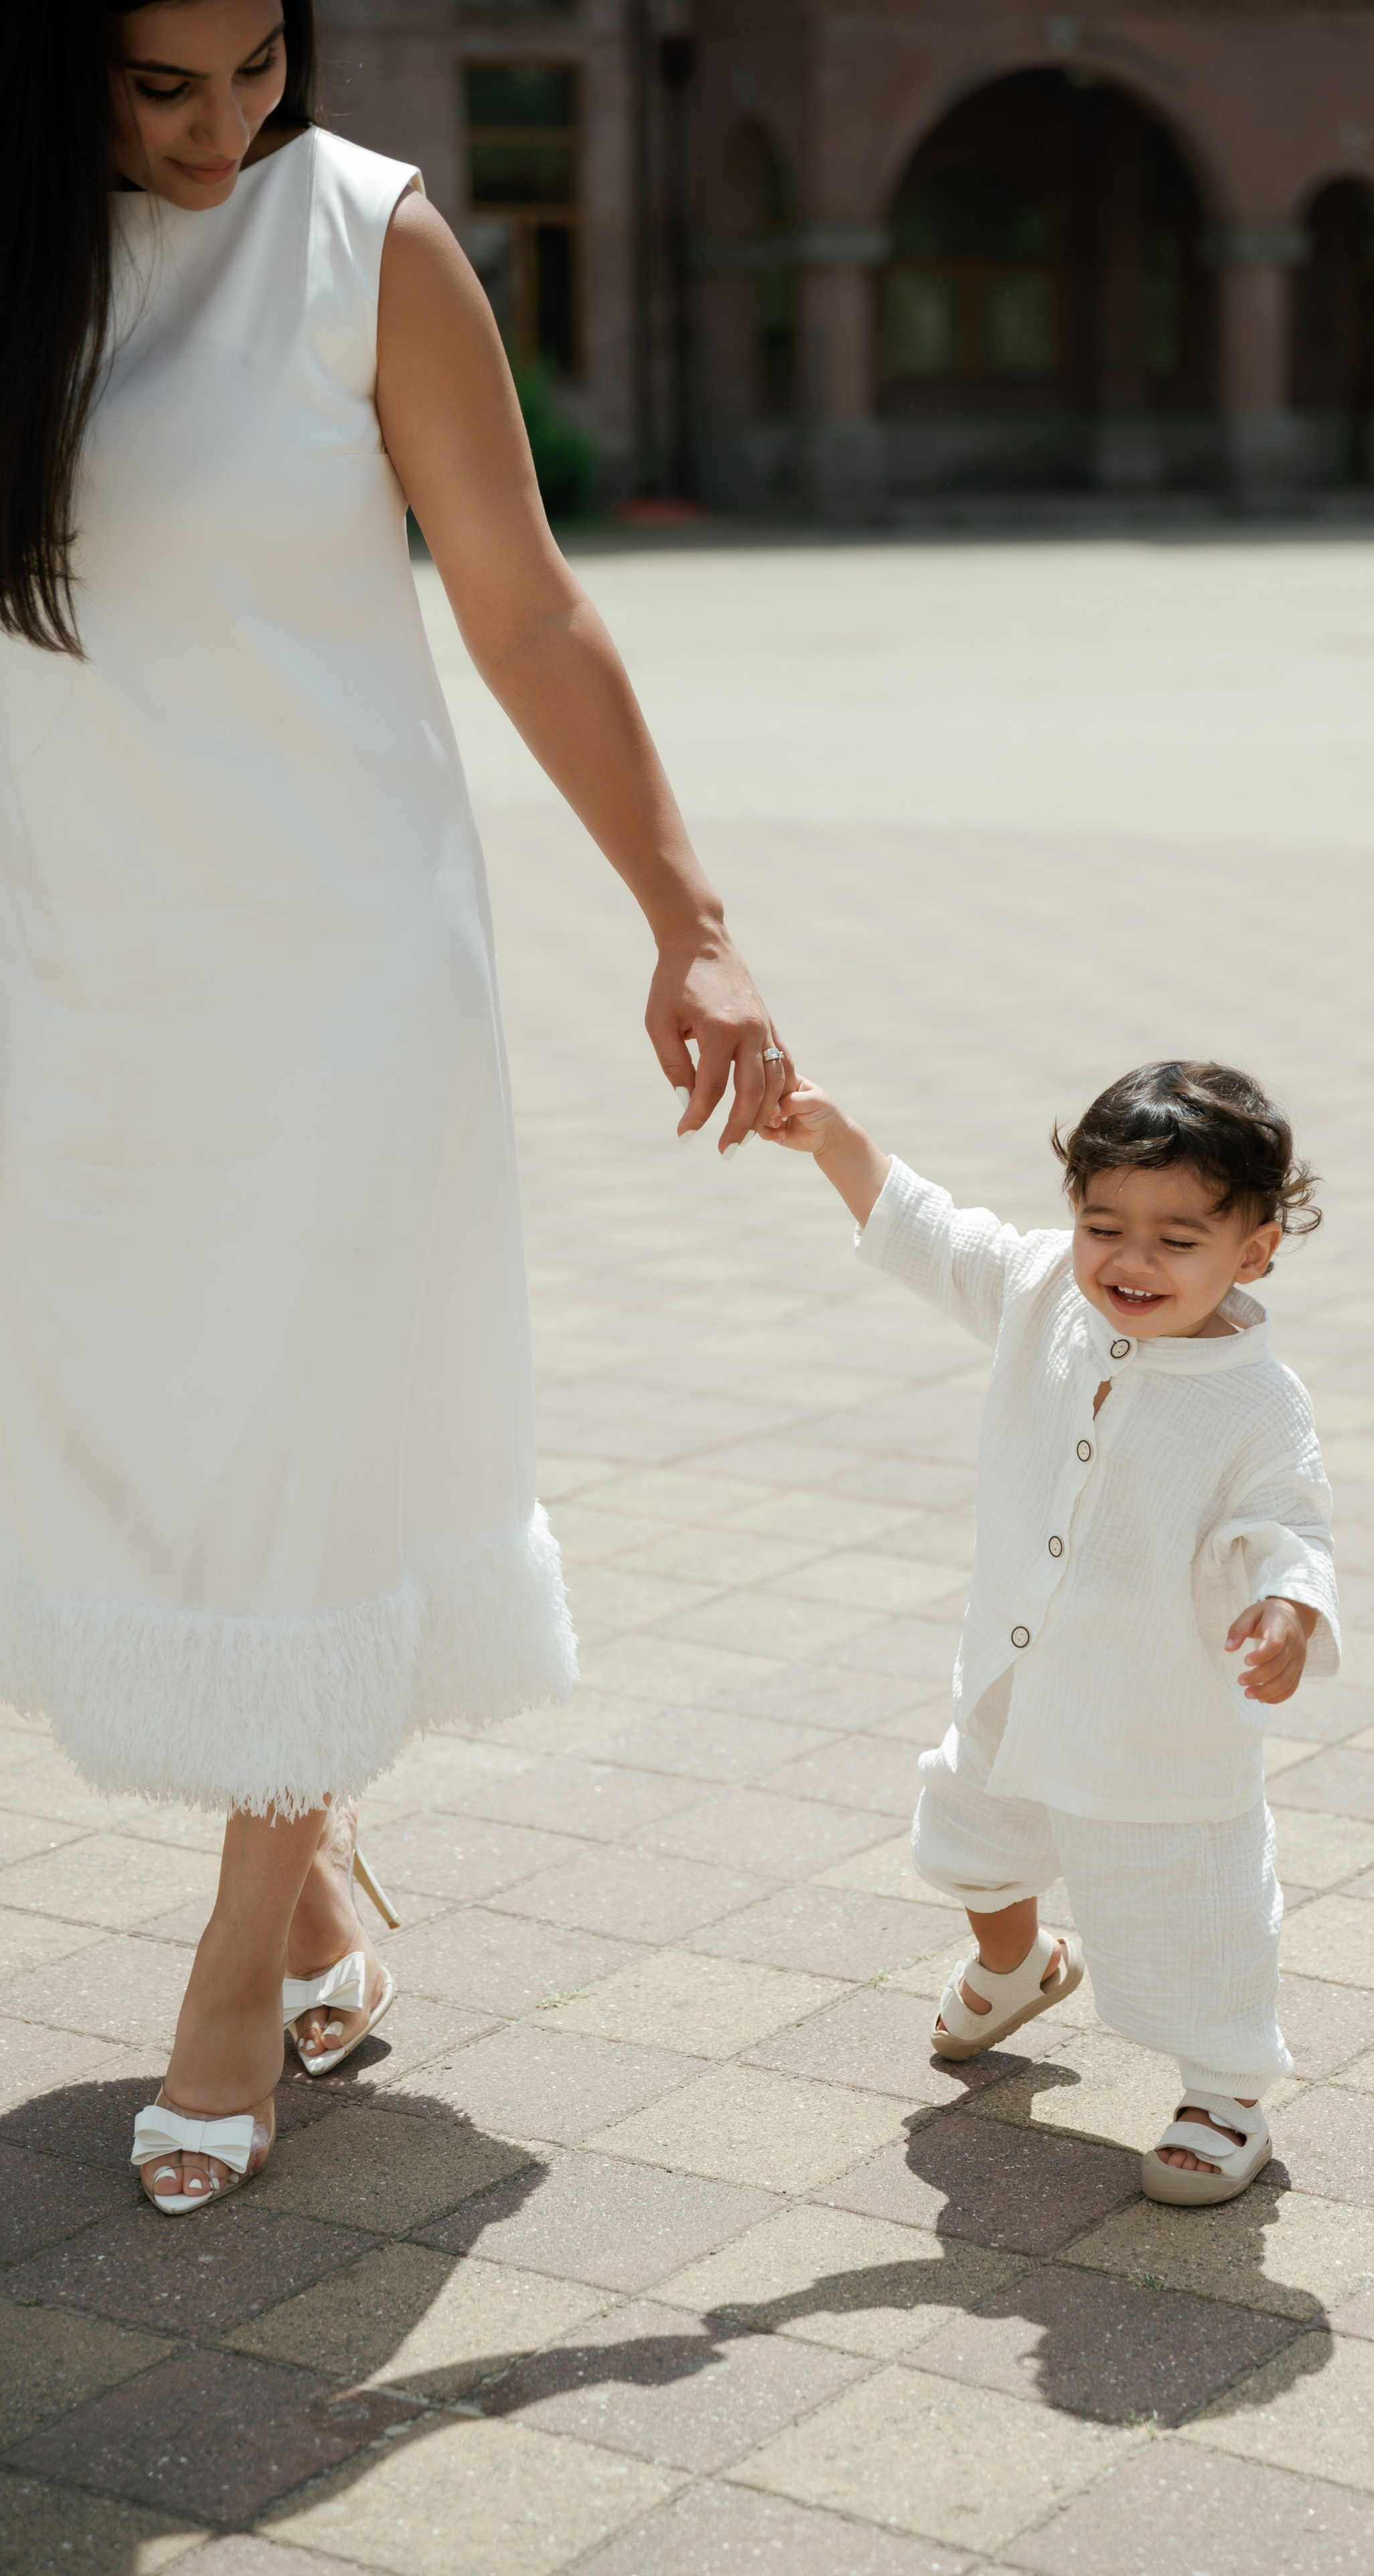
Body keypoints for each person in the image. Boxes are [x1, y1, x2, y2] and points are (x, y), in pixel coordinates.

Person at [0, 0, 792, 2214]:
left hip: (345, 972)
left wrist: (691, 917)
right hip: (76, 976)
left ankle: (238, 1958)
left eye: (258, 65)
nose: (219, 125)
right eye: (156, 80)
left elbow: (526, 609)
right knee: (145, 1446)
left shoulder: (365, 239)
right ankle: (320, 1861)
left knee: (301, 1439)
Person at [765, 1061, 1337, 2205]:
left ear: (1255, 1252)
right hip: (1016, 1677)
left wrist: (1288, 1605)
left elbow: (1287, 1522)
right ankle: (1015, 1962)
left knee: (1189, 1902)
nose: (1130, 1263)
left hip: (1154, 1716)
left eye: (1178, 1241)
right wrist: (835, 1136)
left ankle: (1225, 2087)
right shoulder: (1040, 1293)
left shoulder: (1257, 1400)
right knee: (972, 1835)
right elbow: (929, 1228)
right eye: (1102, 1226)